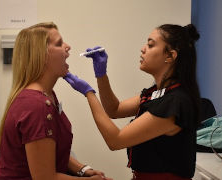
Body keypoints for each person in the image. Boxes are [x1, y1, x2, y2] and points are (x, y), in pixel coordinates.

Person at [64, 24, 201, 180]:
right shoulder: (157, 93)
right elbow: (114, 109)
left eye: (150, 45)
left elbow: (115, 140)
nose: (143, 49)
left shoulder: (175, 101)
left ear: (170, 56)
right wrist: (101, 74)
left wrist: (89, 93)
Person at [0, 22, 112, 180]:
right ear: (42, 56)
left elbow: (48, 151)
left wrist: (82, 169)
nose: (68, 46)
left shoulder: (47, 96)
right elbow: (45, 177)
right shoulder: (36, 105)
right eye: (59, 43)